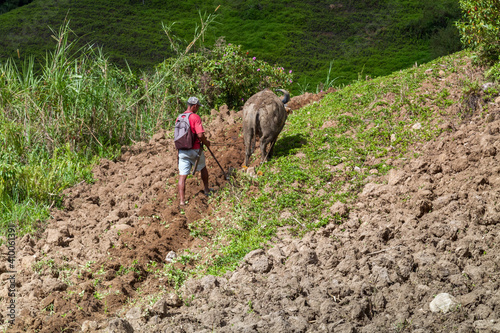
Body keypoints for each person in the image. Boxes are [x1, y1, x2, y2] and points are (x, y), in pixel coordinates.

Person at [178, 97, 212, 206]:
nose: (197, 109)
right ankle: (206, 190)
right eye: (197, 106)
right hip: (195, 149)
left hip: (182, 150)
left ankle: (182, 201)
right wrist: (206, 142)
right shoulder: (195, 117)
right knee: (203, 168)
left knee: (182, 176)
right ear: (194, 106)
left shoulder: (179, 117)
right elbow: (200, 134)